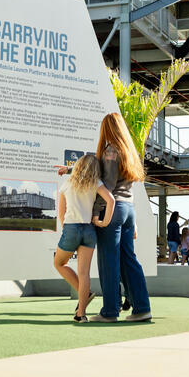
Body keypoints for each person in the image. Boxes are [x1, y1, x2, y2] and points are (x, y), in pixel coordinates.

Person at [59, 113, 152, 322]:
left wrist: (95, 212)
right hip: (128, 209)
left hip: (112, 211)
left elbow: (107, 185)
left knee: (108, 261)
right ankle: (142, 308)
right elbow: (98, 169)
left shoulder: (110, 150)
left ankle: (110, 312)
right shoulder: (128, 151)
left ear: (106, 129)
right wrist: (71, 169)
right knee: (129, 260)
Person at [53, 154, 114, 322]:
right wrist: (104, 222)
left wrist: (67, 230)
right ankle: (81, 314)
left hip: (71, 228)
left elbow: (61, 213)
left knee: (59, 263)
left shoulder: (68, 183)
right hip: (89, 229)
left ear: (78, 166)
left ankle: (85, 294)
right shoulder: (96, 183)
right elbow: (111, 200)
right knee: (84, 273)